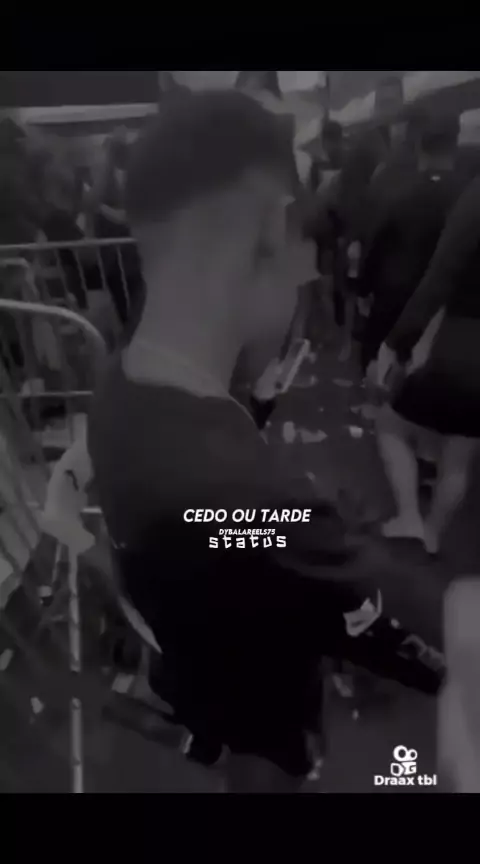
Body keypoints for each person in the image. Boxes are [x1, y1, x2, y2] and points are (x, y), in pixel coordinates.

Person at [89, 91, 445, 793]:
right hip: (264, 730)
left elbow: (221, 528)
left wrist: (250, 410)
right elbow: (403, 618)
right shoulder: (239, 498)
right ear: (273, 230)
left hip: (204, 679)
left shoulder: (119, 386)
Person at [376, 170, 480, 554]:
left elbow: (441, 276)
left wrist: (396, 342)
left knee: (390, 424)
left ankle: (409, 518)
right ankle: (433, 536)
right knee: (461, 454)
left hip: (462, 341)